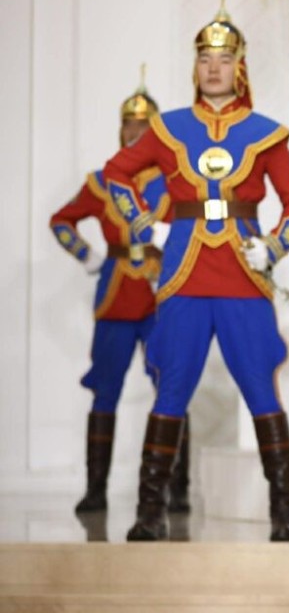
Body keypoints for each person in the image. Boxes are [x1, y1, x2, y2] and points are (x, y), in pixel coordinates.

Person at [104, 0, 289, 542]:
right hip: (183, 273)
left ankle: (285, 512)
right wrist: (143, 223)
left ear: (239, 66)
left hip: (244, 275)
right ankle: (150, 512)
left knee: (261, 389)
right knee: (172, 387)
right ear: (195, 66)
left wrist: (274, 246)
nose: (213, 68)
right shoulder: (167, 126)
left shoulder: (266, 133)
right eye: (204, 58)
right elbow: (117, 174)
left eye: (223, 58)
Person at [49, 72, 194, 515]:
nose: (136, 132)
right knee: (105, 391)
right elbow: (61, 221)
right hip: (115, 298)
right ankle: (96, 490)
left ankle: (178, 489)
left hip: (161, 298)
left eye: (144, 125)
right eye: (130, 125)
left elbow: (194, 228)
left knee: (171, 388)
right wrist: (87, 255)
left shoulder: (175, 181)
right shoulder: (101, 182)